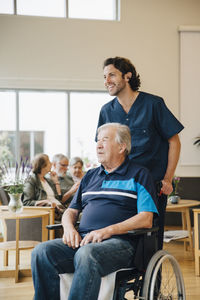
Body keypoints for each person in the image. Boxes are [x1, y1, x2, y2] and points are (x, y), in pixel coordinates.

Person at [31, 123, 158, 300]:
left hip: (120, 244)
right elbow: (71, 211)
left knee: (87, 253)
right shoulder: (90, 176)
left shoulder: (139, 174)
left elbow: (146, 219)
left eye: (104, 140)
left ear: (122, 147)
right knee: (41, 252)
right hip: (83, 240)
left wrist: (107, 231)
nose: (98, 145)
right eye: (97, 141)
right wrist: (68, 229)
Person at [96, 56, 184, 250]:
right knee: (119, 235)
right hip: (120, 185)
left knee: (151, 241)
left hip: (152, 185)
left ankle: (153, 280)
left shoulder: (153, 104)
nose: (106, 81)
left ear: (127, 76)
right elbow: (104, 148)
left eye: (111, 75)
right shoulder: (106, 111)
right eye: (104, 77)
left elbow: (174, 141)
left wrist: (168, 179)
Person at [22, 153, 65, 219]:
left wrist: (56, 181)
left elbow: (59, 198)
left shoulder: (48, 180)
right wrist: (45, 202)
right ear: (43, 166)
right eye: (49, 162)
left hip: (59, 209)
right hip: (50, 212)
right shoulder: (31, 181)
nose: (51, 163)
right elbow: (26, 202)